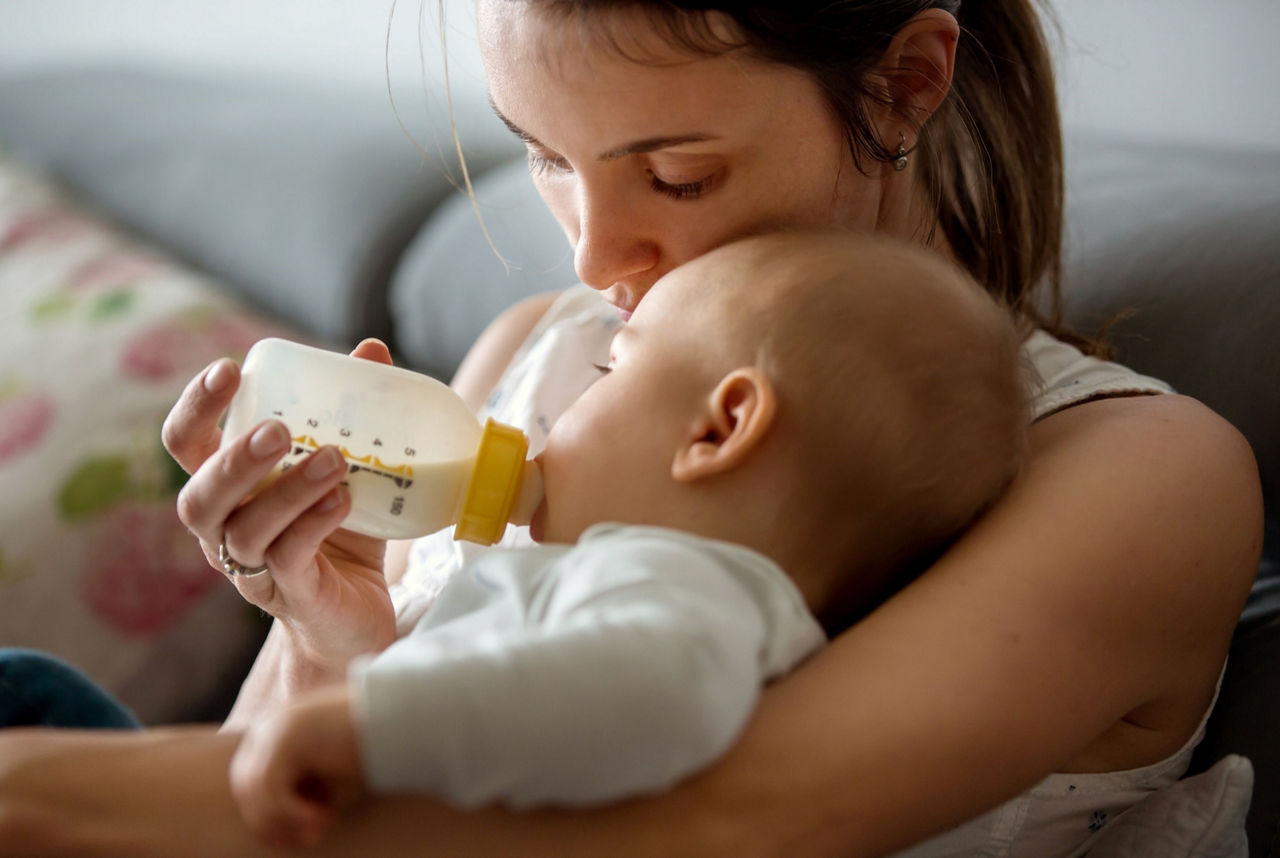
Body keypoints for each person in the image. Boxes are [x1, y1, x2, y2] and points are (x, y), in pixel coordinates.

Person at [0, 2, 1262, 856]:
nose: (596, 259)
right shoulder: (531, 352)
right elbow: (268, 802)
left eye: (676, 177)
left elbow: (705, 819)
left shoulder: (1135, 477)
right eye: (543, 157)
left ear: (906, 81)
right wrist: (332, 638)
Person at [226, 231, 1028, 849]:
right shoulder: (643, 581)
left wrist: (370, 727)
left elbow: (647, 691)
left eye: (607, 373)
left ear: (718, 429)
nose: (556, 411)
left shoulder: (686, 589)